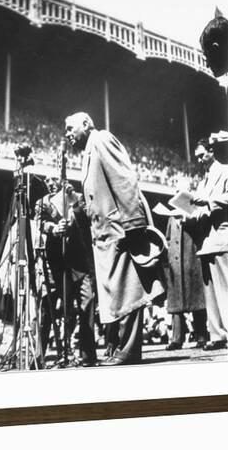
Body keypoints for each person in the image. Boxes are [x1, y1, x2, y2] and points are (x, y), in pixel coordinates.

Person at [64, 112, 165, 365]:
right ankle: (120, 347)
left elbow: (125, 179)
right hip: (104, 235)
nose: (67, 134)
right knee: (117, 293)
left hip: (119, 231)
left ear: (86, 124)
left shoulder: (101, 140)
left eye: (70, 128)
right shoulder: (89, 151)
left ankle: (129, 350)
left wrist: (133, 225)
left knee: (129, 291)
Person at [35, 175, 97, 366]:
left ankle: (87, 355)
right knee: (48, 309)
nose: (50, 183)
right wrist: (53, 228)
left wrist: (73, 201)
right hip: (56, 264)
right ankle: (41, 355)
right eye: (47, 181)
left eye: (54, 179)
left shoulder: (77, 197)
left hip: (80, 263)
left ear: (63, 179)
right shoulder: (43, 202)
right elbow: (39, 222)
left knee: (87, 306)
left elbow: (90, 217)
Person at [189, 138, 228, 351]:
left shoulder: (227, 171)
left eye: (202, 155)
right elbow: (200, 207)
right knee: (210, 293)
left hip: (221, 236)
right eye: (196, 157)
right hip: (205, 240)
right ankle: (217, 335)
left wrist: (208, 202)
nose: (199, 160)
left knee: (225, 290)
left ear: (211, 151)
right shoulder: (203, 181)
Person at [163, 212, 208, 350]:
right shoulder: (171, 217)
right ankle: (176, 338)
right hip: (175, 265)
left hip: (192, 261)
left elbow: (201, 233)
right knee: (175, 303)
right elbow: (168, 238)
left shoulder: (194, 214)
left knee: (197, 300)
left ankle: (201, 336)